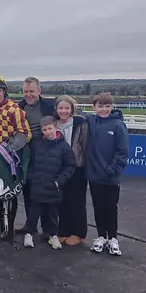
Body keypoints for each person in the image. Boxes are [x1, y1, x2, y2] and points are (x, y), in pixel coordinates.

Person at [0, 76, 31, 241]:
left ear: (4, 92)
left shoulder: (14, 109)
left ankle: (9, 228)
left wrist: (9, 149)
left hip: (10, 157)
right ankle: (0, 224)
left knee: (10, 193)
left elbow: (24, 133)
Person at [85, 92, 129, 256]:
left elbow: (122, 152)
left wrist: (112, 170)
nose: (104, 109)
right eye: (100, 106)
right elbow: (73, 112)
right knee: (98, 207)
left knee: (111, 207)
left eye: (107, 106)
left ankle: (113, 238)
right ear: (94, 107)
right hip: (94, 176)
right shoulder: (91, 121)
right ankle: (101, 236)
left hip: (111, 177)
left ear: (112, 107)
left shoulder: (118, 125)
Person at [22, 116, 76, 249]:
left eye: (50, 128)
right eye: (45, 130)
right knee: (33, 213)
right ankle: (29, 233)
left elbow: (70, 166)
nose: (48, 132)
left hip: (53, 186)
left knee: (52, 214)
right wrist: (31, 177)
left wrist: (59, 181)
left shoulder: (64, 147)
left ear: (56, 128)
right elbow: (30, 161)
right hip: (38, 184)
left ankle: (53, 235)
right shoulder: (37, 145)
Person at [18, 77, 56, 221]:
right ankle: (30, 225)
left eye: (32, 91)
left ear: (39, 91)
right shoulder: (18, 107)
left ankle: (48, 226)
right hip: (26, 154)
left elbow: (66, 114)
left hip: (46, 153)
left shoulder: (49, 106)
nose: (28, 95)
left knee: (46, 190)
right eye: (25, 91)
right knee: (28, 190)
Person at [55, 95, 89, 246]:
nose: (63, 111)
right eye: (61, 108)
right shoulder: (54, 124)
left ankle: (78, 233)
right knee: (61, 201)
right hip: (60, 169)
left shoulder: (80, 124)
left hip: (77, 168)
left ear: (72, 109)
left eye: (66, 108)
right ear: (56, 109)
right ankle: (63, 230)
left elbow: (86, 146)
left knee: (76, 201)